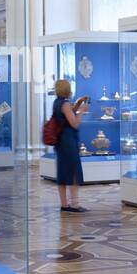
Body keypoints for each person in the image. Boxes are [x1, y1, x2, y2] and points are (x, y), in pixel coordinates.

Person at [50, 79, 89, 213]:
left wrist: (78, 103)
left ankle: (64, 204)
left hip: (60, 142)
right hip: (68, 142)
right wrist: (82, 111)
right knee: (73, 172)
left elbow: (68, 112)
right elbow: (74, 123)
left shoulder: (57, 103)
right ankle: (75, 204)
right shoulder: (65, 104)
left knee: (62, 173)